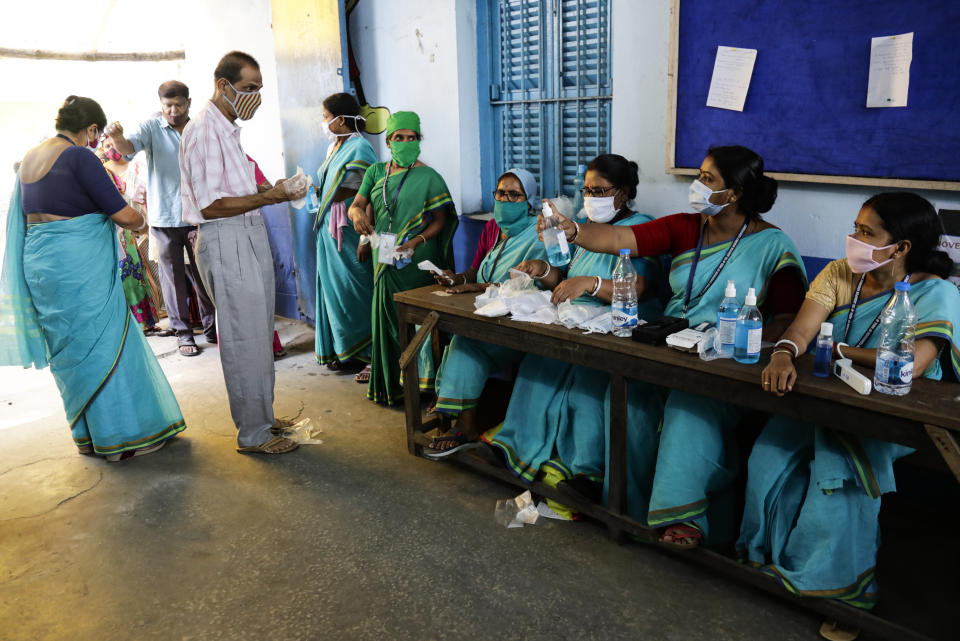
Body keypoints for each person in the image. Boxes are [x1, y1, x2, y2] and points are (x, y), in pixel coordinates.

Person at [543, 145, 807, 544]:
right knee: (626, 399)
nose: (696, 185)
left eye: (707, 178)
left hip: (725, 361)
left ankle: (684, 516)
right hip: (669, 347)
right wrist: (574, 230)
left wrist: (735, 339)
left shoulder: (773, 245)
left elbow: (787, 320)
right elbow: (620, 236)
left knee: (688, 407)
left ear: (732, 194)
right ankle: (628, 507)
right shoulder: (685, 227)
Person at [739, 193, 960, 616]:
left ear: (901, 248)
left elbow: (909, 366)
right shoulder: (840, 274)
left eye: (866, 232)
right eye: (855, 228)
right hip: (826, 399)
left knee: (840, 464)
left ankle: (842, 591)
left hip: (894, 415)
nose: (853, 239)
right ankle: (773, 561)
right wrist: (785, 352)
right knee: (769, 453)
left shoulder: (935, 292)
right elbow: (803, 329)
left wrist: (834, 347)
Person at [0, 96, 185, 460]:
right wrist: (142, 220)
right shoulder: (79, 156)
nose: (95, 143)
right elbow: (122, 215)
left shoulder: (30, 157)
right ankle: (119, 439)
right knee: (103, 345)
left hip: (41, 267)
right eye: (95, 136)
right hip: (77, 266)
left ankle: (88, 437)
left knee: (70, 349)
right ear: (92, 129)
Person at [482, 155, 664, 506]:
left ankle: (586, 472)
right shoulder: (581, 225)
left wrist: (593, 284)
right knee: (538, 368)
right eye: (587, 189)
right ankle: (514, 448)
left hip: (618, 324)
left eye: (600, 190)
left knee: (588, 386)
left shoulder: (642, 229)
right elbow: (564, 278)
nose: (590, 197)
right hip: (575, 321)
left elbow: (640, 287)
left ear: (623, 193)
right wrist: (541, 268)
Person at [179, 51, 308, 455]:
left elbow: (238, 192)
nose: (256, 97)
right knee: (242, 339)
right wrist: (270, 196)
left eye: (259, 90)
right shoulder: (203, 130)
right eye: (249, 88)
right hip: (224, 237)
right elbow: (209, 206)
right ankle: (252, 434)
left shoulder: (228, 131)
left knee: (257, 335)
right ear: (223, 85)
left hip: (246, 234)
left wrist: (278, 189)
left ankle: (263, 420)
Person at [423, 168, 549, 455]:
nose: (505, 199)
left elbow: (531, 285)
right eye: (501, 193)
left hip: (518, 324)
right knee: (453, 333)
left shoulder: (539, 234)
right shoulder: (495, 228)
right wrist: (459, 279)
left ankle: (463, 425)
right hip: (485, 315)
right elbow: (476, 270)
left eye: (514, 194)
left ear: (529, 201)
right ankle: (453, 406)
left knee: (466, 342)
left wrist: (476, 287)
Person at [348, 111, 458, 405]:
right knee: (387, 318)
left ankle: (422, 388)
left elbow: (440, 221)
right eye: (400, 137)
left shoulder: (430, 177)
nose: (406, 143)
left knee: (419, 321)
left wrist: (413, 242)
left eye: (412, 138)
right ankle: (390, 385)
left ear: (419, 141)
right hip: (383, 256)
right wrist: (357, 215)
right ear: (389, 141)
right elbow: (358, 205)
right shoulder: (375, 172)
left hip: (416, 258)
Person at [105, 80, 216, 357]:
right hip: (165, 219)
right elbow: (128, 147)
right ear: (161, 105)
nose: (173, 110)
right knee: (173, 280)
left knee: (204, 276)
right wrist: (117, 136)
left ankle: (213, 328)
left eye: (178, 104)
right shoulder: (152, 128)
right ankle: (183, 334)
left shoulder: (200, 127)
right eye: (168, 105)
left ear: (189, 102)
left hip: (198, 218)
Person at [313, 93, 378, 377]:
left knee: (358, 290)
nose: (323, 122)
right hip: (330, 225)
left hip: (351, 228)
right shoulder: (334, 147)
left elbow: (371, 195)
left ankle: (374, 354)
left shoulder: (361, 149)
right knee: (335, 290)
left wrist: (366, 238)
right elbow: (330, 185)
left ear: (340, 120)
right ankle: (347, 350)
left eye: (326, 117)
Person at [97, 142, 160, 332]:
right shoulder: (102, 174)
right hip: (115, 231)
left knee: (136, 273)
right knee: (128, 275)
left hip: (124, 230)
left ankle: (145, 322)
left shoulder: (107, 174)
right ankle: (139, 323)